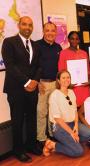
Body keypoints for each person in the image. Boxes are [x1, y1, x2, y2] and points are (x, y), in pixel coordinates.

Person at [2, 16, 41, 163]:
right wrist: (27, 82)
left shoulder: (35, 45)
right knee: (17, 121)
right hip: (16, 89)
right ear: (19, 26)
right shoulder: (9, 42)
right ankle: (18, 150)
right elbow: (11, 66)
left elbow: (39, 66)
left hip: (33, 89)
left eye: (30, 25)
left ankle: (31, 145)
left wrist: (35, 81)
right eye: (24, 24)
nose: (27, 27)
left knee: (32, 119)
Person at [43, 70, 90, 157]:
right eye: (63, 78)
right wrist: (72, 133)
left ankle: (72, 143)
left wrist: (76, 126)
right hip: (59, 126)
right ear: (58, 80)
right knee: (78, 152)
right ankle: (53, 145)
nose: (66, 80)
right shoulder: (54, 95)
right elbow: (58, 119)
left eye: (68, 77)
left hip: (72, 123)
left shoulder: (71, 92)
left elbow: (75, 111)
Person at [36, 22, 62, 145]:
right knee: (41, 112)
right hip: (42, 84)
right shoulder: (36, 46)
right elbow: (33, 67)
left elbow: (60, 67)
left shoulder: (58, 47)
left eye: (52, 30)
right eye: (47, 30)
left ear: (56, 33)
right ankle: (41, 138)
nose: (50, 33)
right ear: (43, 31)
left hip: (55, 84)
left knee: (53, 111)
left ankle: (52, 135)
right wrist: (37, 82)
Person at [58, 31, 90, 107]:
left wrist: (89, 80)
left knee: (85, 108)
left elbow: (88, 70)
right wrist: (67, 84)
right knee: (72, 108)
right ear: (68, 40)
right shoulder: (63, 53)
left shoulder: (84, 53)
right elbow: (61, 71)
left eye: (77, 39)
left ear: (79, 40)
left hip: (84, 86)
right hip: (70, 87)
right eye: (72, 39)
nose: (74, 41)